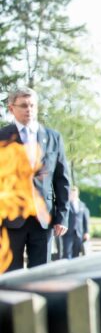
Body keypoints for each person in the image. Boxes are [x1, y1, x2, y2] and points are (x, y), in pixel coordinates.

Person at [0, 87, 70, 271]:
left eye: (32, 105)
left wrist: (62, 216)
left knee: (42, 274)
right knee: (10, 277)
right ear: (11, 109)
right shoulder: (1, 137)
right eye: (23, 105)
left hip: (43, 219)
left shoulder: (54, 138)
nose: (28, 109)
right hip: (10, 219)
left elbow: (62, 179)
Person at [62, 187, 90, 259]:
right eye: (72, 193)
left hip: (79, 233)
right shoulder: (66, 204)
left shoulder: (82, 205)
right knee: (67, 252)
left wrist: (86, 232)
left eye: (75, 193)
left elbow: (85, 219)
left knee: (76, 253)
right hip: (68, 232)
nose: (73, 195)